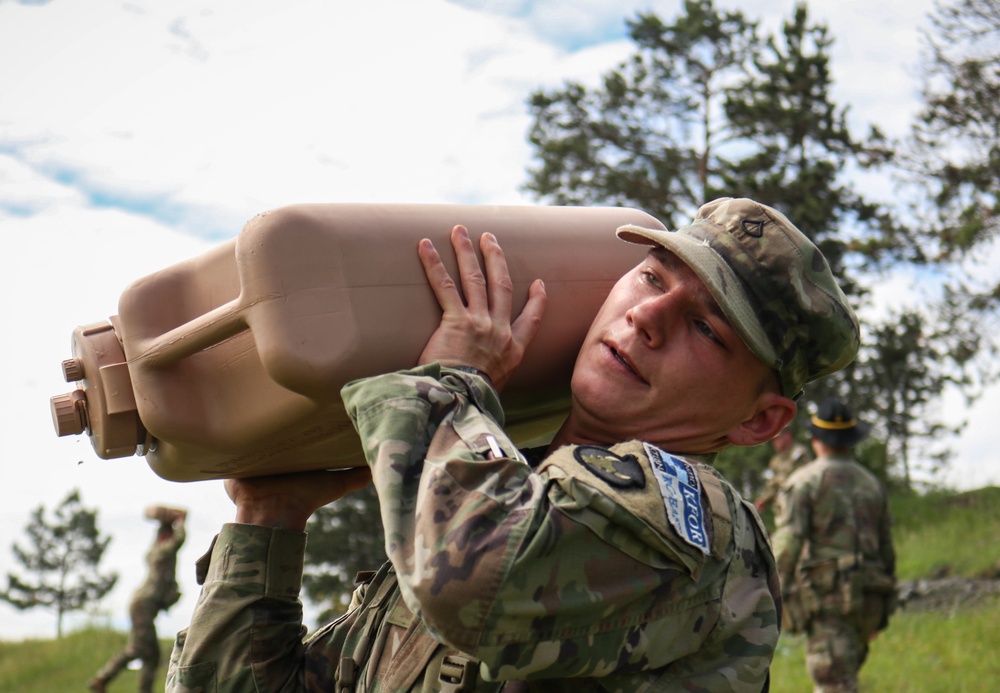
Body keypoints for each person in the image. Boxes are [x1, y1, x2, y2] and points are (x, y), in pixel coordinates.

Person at [166, 198, 861, 692]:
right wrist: (268, 518)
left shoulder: (697, 524)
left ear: (760, 421)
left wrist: (451, 383)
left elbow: (471, 580)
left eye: (707, 329)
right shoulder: (493, 495)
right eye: (651, 277)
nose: (647, 317)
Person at [771, 399, 896, 692]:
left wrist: (770, 596)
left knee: (834, 684)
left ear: (815, 440)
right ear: (851, 440)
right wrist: (886, 599)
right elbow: (887, 548)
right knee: (845, 677)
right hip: (870, 597)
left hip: (829, 598)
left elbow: (788, 543)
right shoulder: (872, 484)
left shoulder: (803, 482)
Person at [90, 506, 187, 693]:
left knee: (135, 650)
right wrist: (181, 522)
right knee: (151, 656)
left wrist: (167, 522)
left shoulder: (155, 549)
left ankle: (102, 678)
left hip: (140, 604)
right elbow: (179, 540)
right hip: (144, 605)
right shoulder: (164, 551)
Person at [754, 425, 811, 514]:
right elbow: (771, 485)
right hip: (782, 509)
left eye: (777, 438)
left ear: (787, 435)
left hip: (799, 507)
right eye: (772, 440)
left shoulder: (799, 453)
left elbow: (802, 479)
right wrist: (764, 499)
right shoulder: (775, 461)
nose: (775, 442)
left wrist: (779, 481)